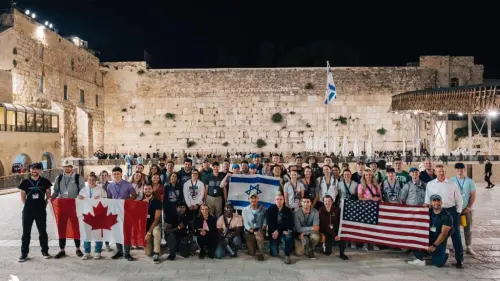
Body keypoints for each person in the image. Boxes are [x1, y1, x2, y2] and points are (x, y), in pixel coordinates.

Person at [425, 164, 464, 268]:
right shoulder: (430, 184)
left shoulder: (452, 184)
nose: (441, 173)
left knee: (456, 236)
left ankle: (459, 259)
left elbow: (459, 200)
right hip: (436, 212)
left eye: (443, 171)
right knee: (435, 234)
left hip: (451, 211)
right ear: (435, 172)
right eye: (439, 171)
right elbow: (427, 201)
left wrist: (457, 213)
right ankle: (437, 253)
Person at [18, 162, 52, 262]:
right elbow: (23, 198)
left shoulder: (45, 181)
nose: (34, 171)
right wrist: (29, 206)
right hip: (28, 211)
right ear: (30, 170)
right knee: (26, 233)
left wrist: (44, 204)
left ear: (40, 170)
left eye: (36, 169)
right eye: (33, 169)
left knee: (42, 232)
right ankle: (24, 254)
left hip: (40, 211)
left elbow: (48, 195)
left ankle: (45, 251)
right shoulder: (25, 182)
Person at [52, 160, 85, 259]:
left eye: (69, 166)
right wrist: (51, 199)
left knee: (76, 227)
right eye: (65, 166)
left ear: (72, 167)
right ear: (63, 167)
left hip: (74, 206)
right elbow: (56, 191)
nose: (67, 168)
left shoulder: (78, 178)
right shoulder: (59, 178)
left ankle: (78, 248)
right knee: (61, 226)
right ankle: (62, 249)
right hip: (62, 206)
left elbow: (83, 191)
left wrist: (81, 196)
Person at [408, 195, 452, 267]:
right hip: (428, 237)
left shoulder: (447, 216)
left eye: (438, 201)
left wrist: (434, 245)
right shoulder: (428, 211)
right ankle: (420, 259)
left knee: (438, 263)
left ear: (442, 202)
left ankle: (445, 253)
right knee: (413, 237)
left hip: (439, 240)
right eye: (434, 201)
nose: (436, 203)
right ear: (431, 203)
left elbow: (443, 234)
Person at [107, 167, 137, 261]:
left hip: (126, 211)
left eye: (118, 174)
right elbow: (109, 198)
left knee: (126, 232)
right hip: (115, 212)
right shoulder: (110, 186)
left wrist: (124, 201)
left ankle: (127, 252)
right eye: (114, 174)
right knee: (117, 232)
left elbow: (134, 196)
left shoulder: (128, 184)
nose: (116, 175)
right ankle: (119, 251)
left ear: (121, 174)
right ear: (112, 175)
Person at [78, 174, 108, 260]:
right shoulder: (83, 190)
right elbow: (79, 202)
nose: (91, 182)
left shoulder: (101, 190)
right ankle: (87, 252)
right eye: (89, 180)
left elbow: (106, 201)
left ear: (96, 180)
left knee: (97, 233)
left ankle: (97, 251)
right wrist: (79, 198)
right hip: (86, 214)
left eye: (93, 180)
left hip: (97, 215)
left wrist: (101, 198)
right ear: (87, 180)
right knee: (86, 233)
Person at [450, 163, 477, 256]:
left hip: (467, 209)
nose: (460, 171)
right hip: (455, 209)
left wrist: (468, 207)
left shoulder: (470, 181)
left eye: (461, 169)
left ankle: (468, 247)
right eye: (458, 169)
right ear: (455, 170)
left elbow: (473, 196)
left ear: (464, 170)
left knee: (468, 228)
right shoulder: (451, 181)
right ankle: (455, 246)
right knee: (455, 228)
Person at [266, 193, 294, 264]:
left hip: (284, 231)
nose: (279, 201)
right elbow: (270, 224)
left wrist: (279, 231)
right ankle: (277, 244)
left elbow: (289, 224)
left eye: (281, 199)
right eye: (277, 199)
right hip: (273, 232)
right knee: (274, 254)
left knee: (288, 236)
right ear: (275, 200)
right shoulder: (270, 209)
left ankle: (287, 255)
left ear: (284, 200)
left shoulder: (288, 210)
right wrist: (277, 231)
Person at [319, 195, 348, 260]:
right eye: (325, 201)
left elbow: (341, 221)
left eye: (329, 201)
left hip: (335, 228)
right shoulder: (321, 210)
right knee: (328, 235)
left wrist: (339, 232)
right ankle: (328, 251)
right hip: (325, 229)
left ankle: (342, 253)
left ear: (332, 202)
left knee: (342, 236)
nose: (327, 203)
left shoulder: (337, 209)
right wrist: (335, 235)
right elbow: (325, 225)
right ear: (323, 202)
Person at [242, 190, 267, 261]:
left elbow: (265, 219)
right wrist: (253, 231)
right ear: (249, 199)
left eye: (255, 198)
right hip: (249, 232)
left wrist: (264, 226)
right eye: (251, 198)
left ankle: (260, 253)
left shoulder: (263, 208)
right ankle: (254, 244)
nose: (253, 200)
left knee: (260, 236)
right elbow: (246, 224)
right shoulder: (245, 210)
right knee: (252, 252)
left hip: (259, 230)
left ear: (258, 199)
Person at [143, 185, 162, 263]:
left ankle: (157, 252)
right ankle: (155, 244)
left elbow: (157, 219)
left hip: (155, 225)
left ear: (152, 190)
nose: (147, 190)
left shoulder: (157, 201)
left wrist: (149, 232)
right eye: (146, 189)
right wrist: (143, 206)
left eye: (149, 189)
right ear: (143, 190)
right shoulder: (141, 201)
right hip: (145, 226)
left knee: (156, 231)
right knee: (148, 253)